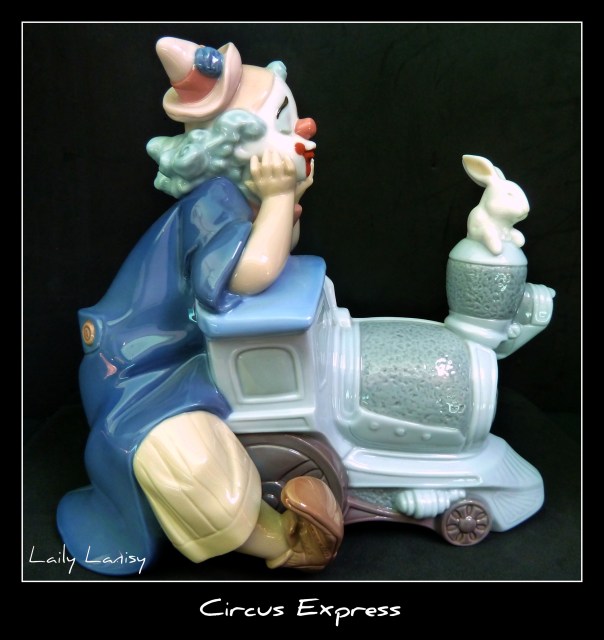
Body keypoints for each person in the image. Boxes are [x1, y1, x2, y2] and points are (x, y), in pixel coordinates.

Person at [57, 37, 344, 576]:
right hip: (142, 370)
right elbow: (252, 273)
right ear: (237, 147)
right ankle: (277, 541)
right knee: (191, 467)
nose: (303, 129)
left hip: (184, 354)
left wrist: (280, 202)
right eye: (283, 122)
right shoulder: (212, 202)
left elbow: (273, 252)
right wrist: (279, 197)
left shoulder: (238, 201)